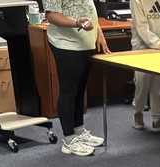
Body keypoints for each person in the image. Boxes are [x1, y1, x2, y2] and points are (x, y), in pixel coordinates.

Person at [43, 0, 110, 156]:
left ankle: (79, 131)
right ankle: (69, 140)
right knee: (69, 91)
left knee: (80, 90)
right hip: (67, 44)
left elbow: (88, 10)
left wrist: (98, 32)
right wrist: (76, 23)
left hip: (85, 42)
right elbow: (52, 16)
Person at [130, 0, 160, 133]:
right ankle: (138, 112)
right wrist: (156, 42)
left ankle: (158, 118)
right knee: (142, 82)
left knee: (158, 82)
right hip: (141, 46)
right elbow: (141, 26)